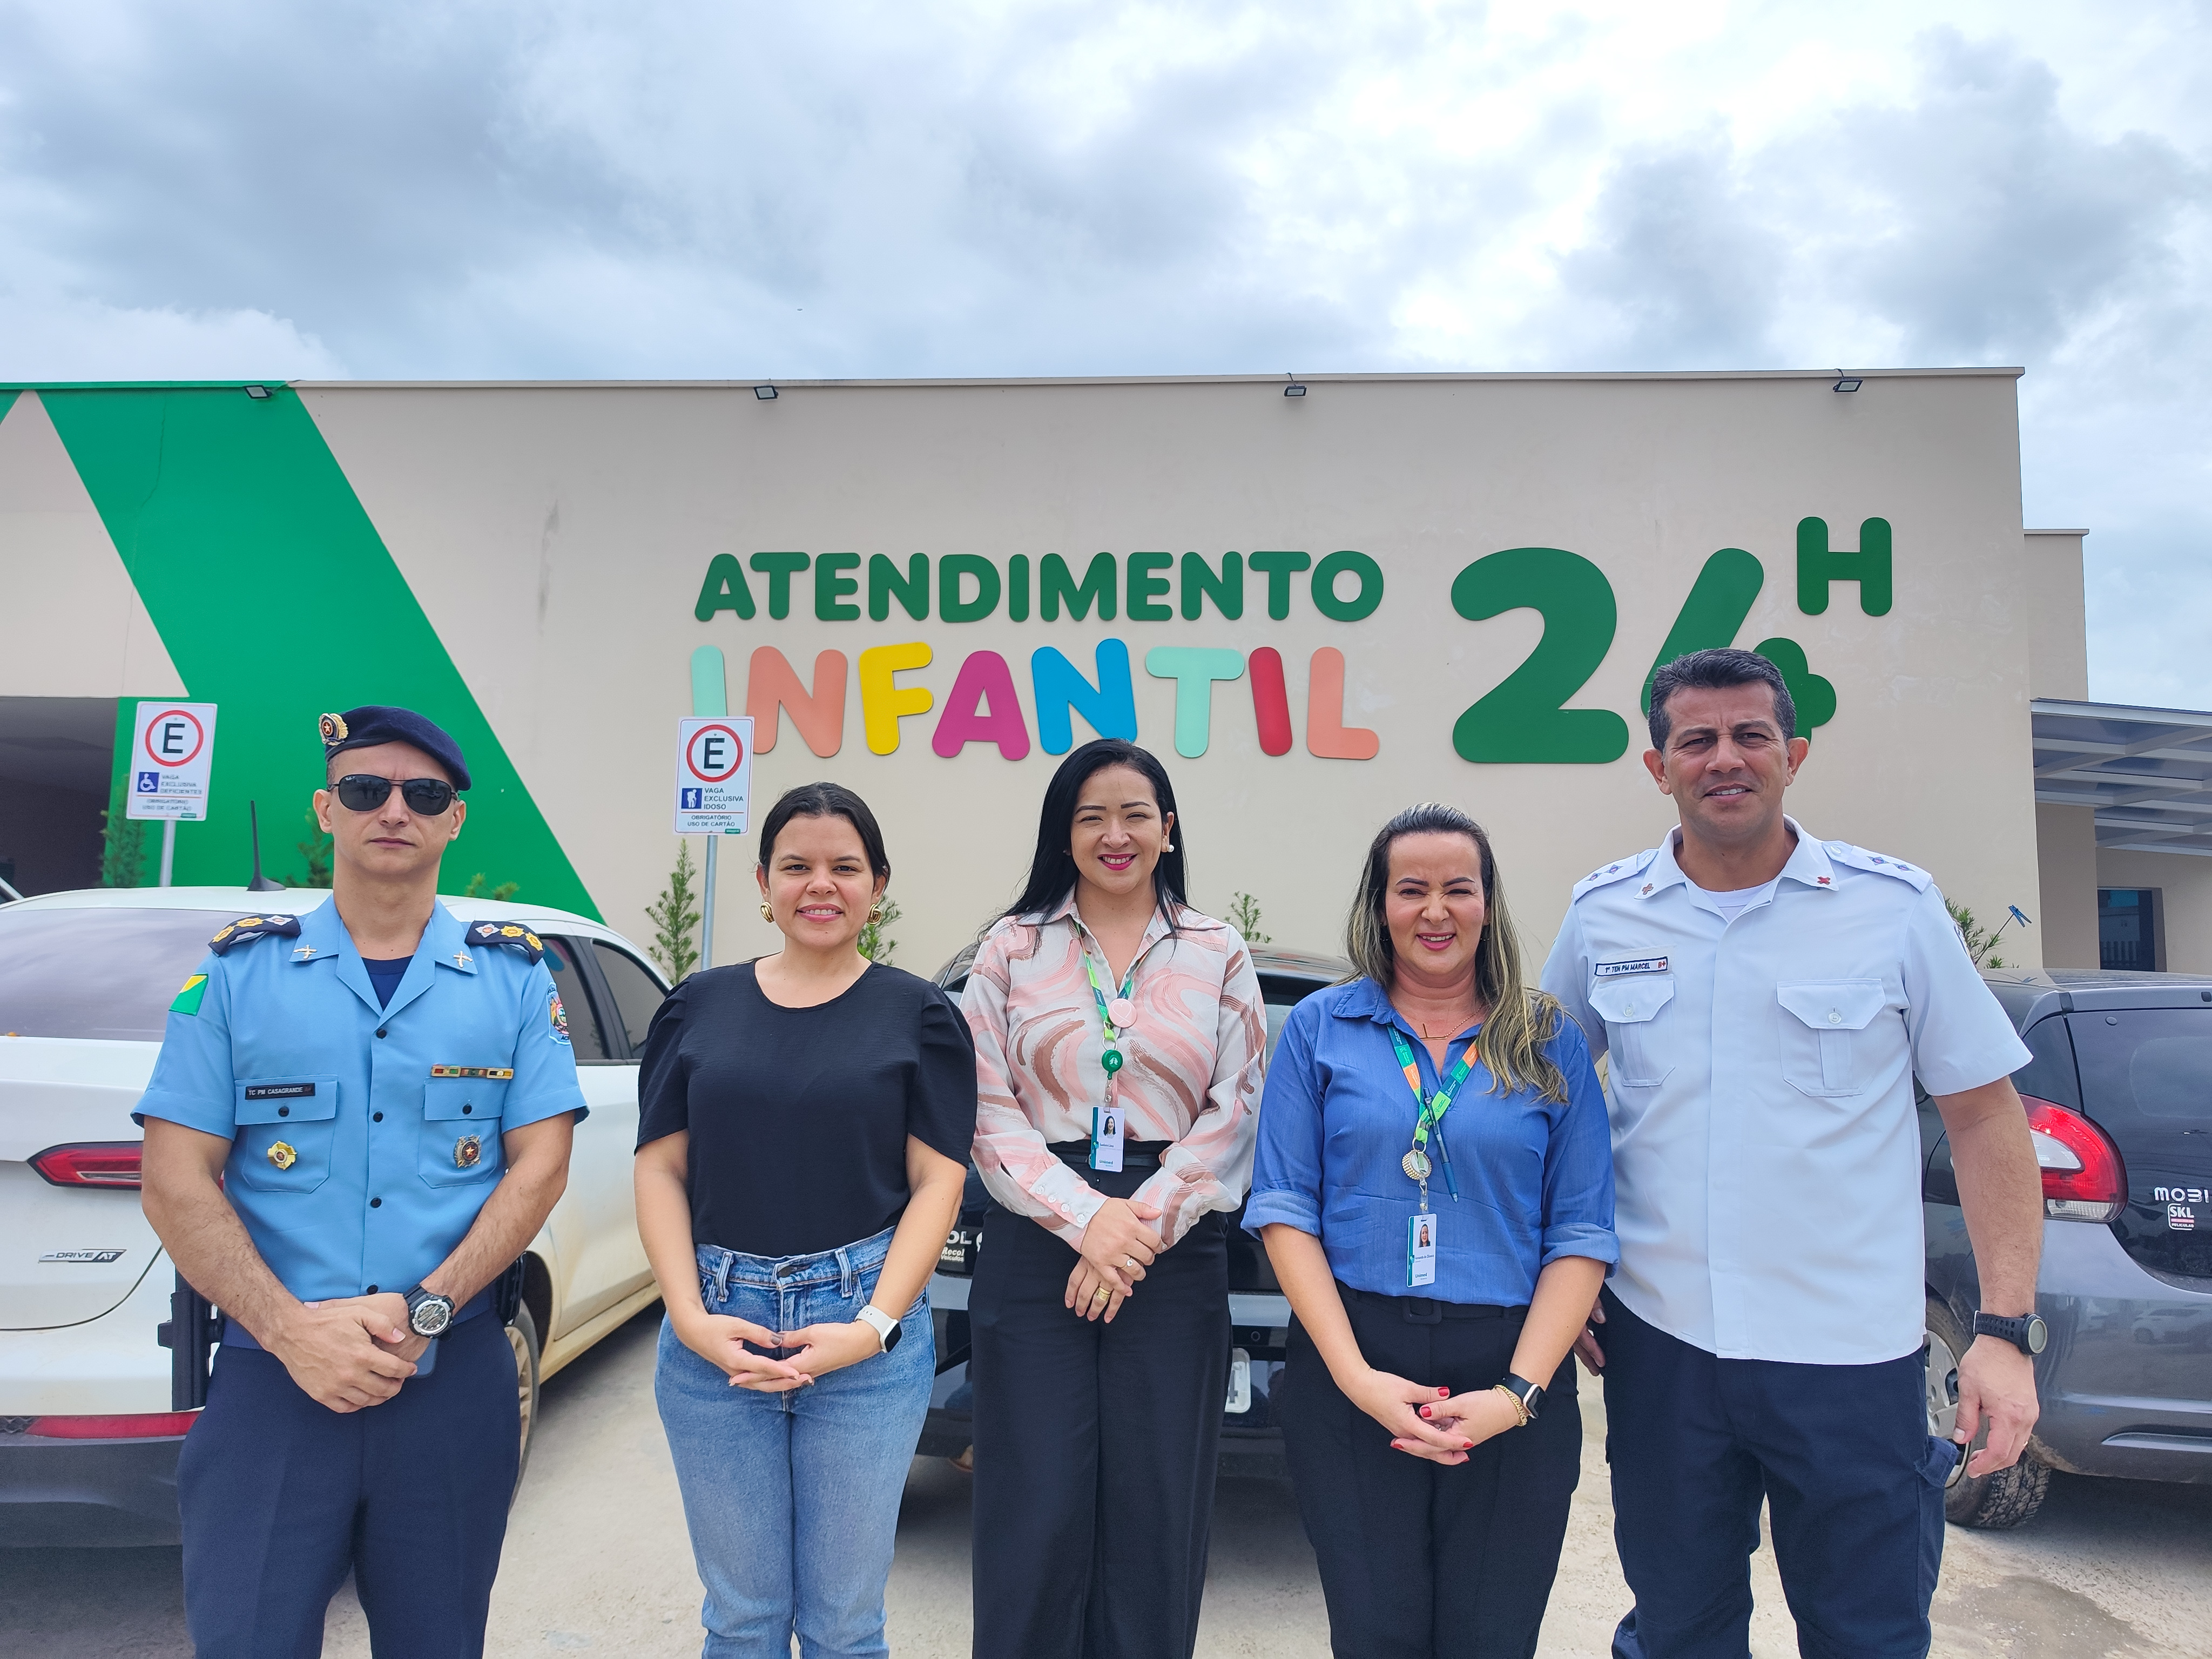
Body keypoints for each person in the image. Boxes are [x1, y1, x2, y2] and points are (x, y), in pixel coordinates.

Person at [1540, 648, 2045, 1658]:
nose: (1725, 758)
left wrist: (2003, 1331)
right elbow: (1543, 1101)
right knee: (1680, 1632)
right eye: (1697, 739)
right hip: (1665, 1350)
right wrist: (1563, 1270)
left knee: (1868, 1634)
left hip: (1852, 1360)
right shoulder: (1605, 915)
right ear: (1658, 767)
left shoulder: (1892, 909)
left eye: (1750, 736)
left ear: (1794, 754)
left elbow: (1988, 1119)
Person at [138, 706, 585, 1656]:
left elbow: (541, 1163)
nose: (394, 810)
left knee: (438, 1641)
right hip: (272, 1378)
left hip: (451, 1375)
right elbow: (176, 1176)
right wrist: (292, 1332)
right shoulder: (237, 975)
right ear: (326, 808)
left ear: (454, 819)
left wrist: (426, 1309)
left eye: (424, 795)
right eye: (365, 789)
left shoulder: (511, 980)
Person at [1247, 802, 1616, 1659]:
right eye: (1411, 889)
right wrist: (1357, 1380)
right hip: (1356, 1359)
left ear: (1489, 903)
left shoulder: (1547, 1039)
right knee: (1375, 1633)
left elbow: (1582, 1231)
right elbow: (1285, 1209)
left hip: (1510, 1366)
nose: (1436, 911)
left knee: (1491, 1637)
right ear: (1380, 906)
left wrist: (1518, 1396)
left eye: (1459, 888)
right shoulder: (1320, 1029)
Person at [635, 781, 974, 1659]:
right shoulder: (697, 1007)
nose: (820, 885)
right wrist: (688, 1317)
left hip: (864, 1332)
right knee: (741, 1618)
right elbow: (660, 1167)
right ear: (763, 880)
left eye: (844, 867)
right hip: (718, 1326)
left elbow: (938, 1182)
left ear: (878, 884)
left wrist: (872, 1327)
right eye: (797, 866)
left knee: (845, 1625)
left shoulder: (920, 1015)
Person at [961, 737, 1266, 1659]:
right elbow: (984, 1110)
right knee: (1035, 1500)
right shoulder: (1011, 947)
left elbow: (1238, 1107)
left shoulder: (1218, 949)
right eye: (1091, 815)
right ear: (1065, 833)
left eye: (1136, 813)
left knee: (1156, 1502)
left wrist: (1135, 1226)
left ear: (1168, 830)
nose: (1115, 833)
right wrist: (1086, 1217)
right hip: (1037, 1234)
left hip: (1169, 1253)